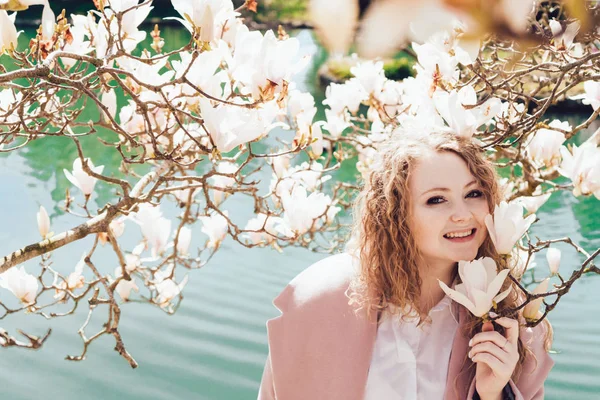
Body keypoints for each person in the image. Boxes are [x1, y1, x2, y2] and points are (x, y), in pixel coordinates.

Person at [257, 130, 554, 400]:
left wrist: (492, 395)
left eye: (473, 194)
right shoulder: (318, 300)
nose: (463, 214)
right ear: (396, 215)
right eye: (436, 200)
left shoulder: (512, 323)